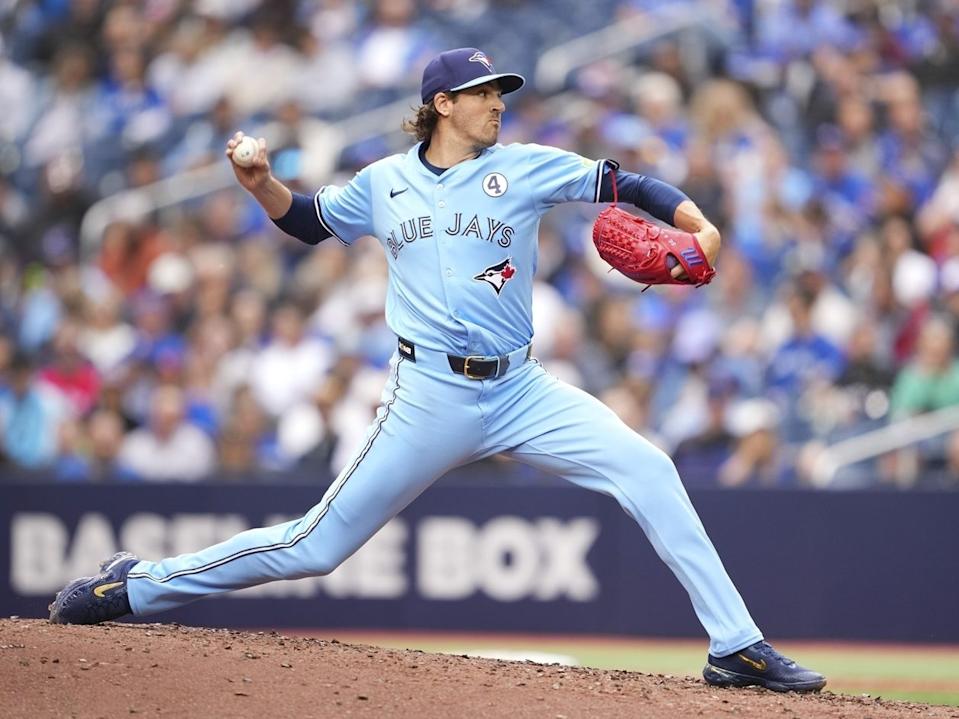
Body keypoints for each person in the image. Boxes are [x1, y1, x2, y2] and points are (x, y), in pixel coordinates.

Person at [49, 48, 825, 693]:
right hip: (430, 394)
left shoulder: (522, 166)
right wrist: (260, 186)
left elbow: (625, 184)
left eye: (501, 92)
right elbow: (311, 220)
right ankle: (137, 584)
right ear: (443, 102)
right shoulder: (385, 182)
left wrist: (697, 225)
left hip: (520, 387)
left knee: (649, 469)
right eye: (486, 93)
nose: (499, 103)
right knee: (314, 546)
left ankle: (736, 644)